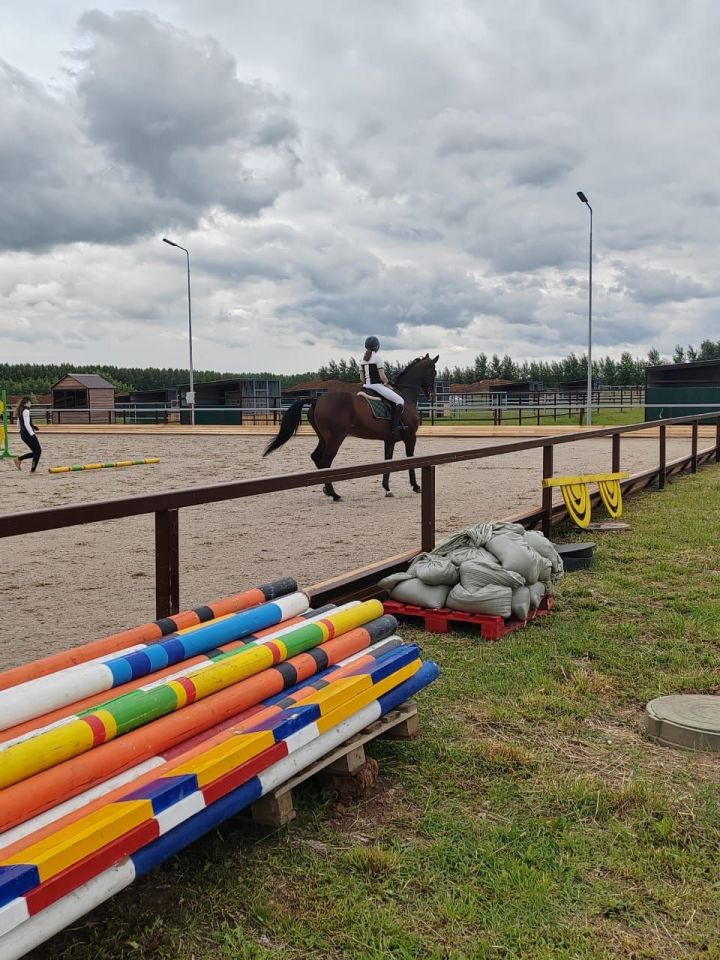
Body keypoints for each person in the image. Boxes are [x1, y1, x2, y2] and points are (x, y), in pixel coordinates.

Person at [360, 336, 405, 438]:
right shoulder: (377, 357)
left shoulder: (362, 359)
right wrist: (387, 382)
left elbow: (361, 378)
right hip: (376, 386)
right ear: (377, 347)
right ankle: (395, 426)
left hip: (365, 386)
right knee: (400, 401)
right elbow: (382, 376)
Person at [13, 396, 42, 473]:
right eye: (30, 402)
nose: (31, 404)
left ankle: (19, 459)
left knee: (36, 452)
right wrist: (32, 434)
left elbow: (18, 424)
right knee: (38, 451)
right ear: (26, 403)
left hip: (23, 434)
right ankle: (32, 470)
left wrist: (33, 427)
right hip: (28, 434)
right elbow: (26, 424)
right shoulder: (26, 411)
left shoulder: (21, 410)